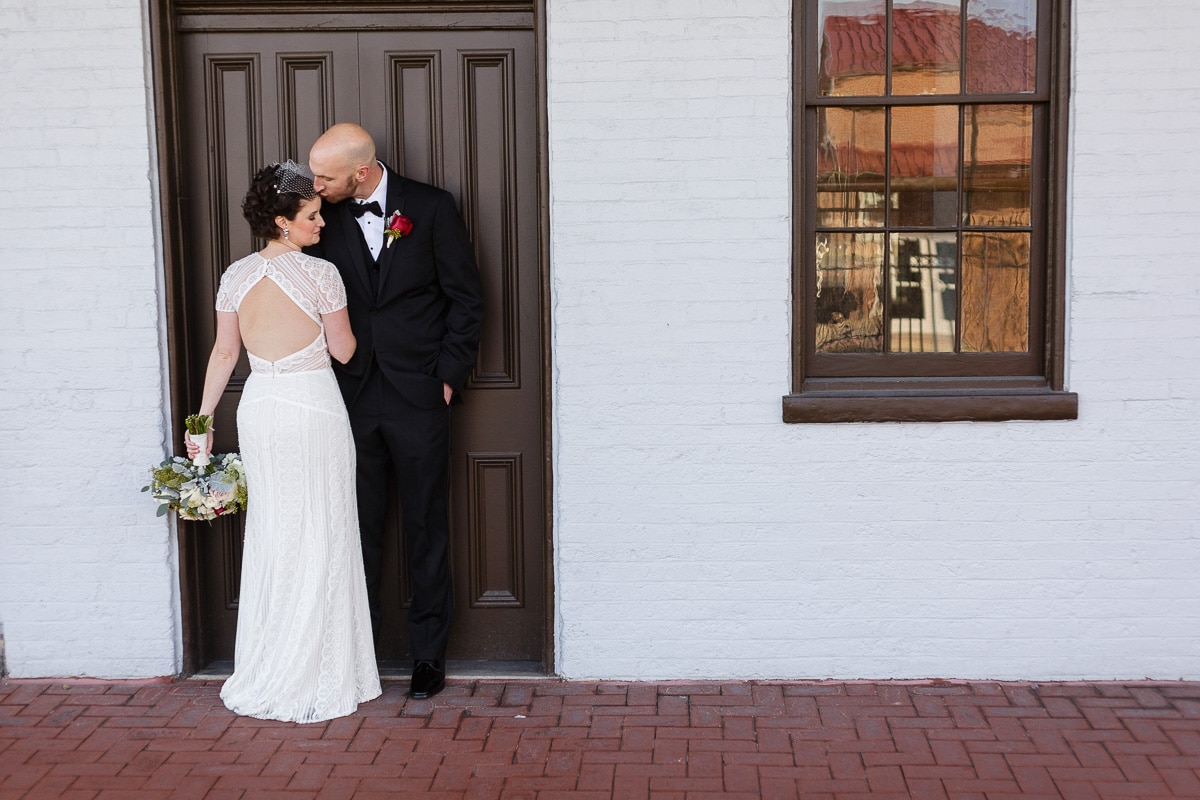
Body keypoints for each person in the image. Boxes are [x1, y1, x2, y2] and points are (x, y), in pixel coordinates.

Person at [186, 160, 382, 722]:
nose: (322, 224)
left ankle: (272, 659)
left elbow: (225, 355)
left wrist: (201, 423)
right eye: (313, 216)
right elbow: (344, 351)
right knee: (323, 526)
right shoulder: (323, 275)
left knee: (275, 529)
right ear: (282, 221)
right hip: (314, 405)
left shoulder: (234, 276)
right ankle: (320, 667)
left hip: (262, 410)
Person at [306, 123, 484, 700]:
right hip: (349, 397)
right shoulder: (319, 217)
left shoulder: (431, 208)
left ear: (360, 172)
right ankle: (359, 654)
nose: (316, 184)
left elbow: (466, 298)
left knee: (426, 526)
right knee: (357, 528)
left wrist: (448, 377)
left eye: (325, 176)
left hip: (419, 396)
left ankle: (428, 656)